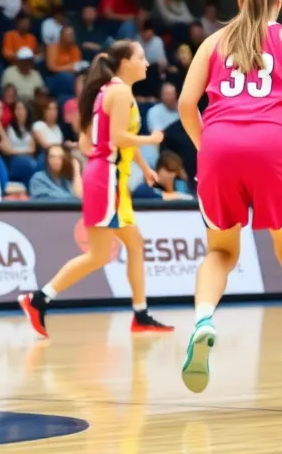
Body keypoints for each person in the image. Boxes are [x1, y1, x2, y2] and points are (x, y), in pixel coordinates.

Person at [176, 0, 282, 403]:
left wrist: (205, 144)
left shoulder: (212, 41)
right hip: (273, 144)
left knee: (220, 252)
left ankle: (204, 321)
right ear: (278, 3)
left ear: (241, 1)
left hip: (219, 145)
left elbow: (186, 104)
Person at [18, 41, 171, 337]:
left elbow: (116, 137)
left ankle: (140, 314)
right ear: (125, 62)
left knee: (136, 245)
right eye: (141, 57)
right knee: (99, 256)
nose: (147, 63)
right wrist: (150, 142)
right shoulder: (120, 92)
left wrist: (143, 165)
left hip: (111, 177)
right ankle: (37, 300)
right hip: (107, 178)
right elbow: (118, 138)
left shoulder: (110, 91)